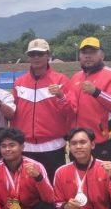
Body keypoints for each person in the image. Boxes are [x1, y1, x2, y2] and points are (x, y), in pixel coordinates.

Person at [11, 39, 74, 181]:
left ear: (48, 55)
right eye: (32, 54)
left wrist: (60, 96)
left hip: (53, 147)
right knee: (27, 191)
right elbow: (12, 114)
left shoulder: (61, 80)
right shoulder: (19, 82)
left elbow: (70, 113)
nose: (36, 57)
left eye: (40, 54)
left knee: (53, 190)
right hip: (26, 148)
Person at [69, 37, 111, 164]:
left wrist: (96, 92)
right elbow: (71, 108)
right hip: (79, 142)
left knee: (106, 182)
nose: (88, 56)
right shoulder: (75, 77)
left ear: (102, 55)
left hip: (103, 142)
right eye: (84, 53)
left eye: (93, 52)